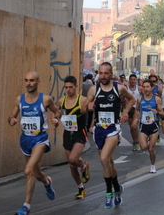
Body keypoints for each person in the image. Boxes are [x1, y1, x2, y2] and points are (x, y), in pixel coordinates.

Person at [82, 62, 135, 209]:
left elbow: (132, 99)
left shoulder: (119, 88)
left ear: (111, 74)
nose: (103, 76)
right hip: (99, 129)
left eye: (106, 73)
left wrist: (125, 112)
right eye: (101, 73)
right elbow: (82, 109)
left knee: (104, 158)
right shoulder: (94, 89)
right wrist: (88, 106)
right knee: (108, 163)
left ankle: (108, 193)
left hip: (113, 128)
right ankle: (117, 188)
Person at [8, 71, 61, 215]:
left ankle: (26, 206)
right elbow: (11, 116)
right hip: (25, 139)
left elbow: (57, 111)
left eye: (31, 80)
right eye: (26, 80)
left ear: (38, 82)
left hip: (40, 139)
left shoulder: (46, 99)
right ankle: (46, 182)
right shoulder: (19, 99)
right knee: (36, 173)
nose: (28, 83)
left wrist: (56, 119)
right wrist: (12, 120)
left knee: (28, 170)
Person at [54, 76, 90, 200]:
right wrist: (55, 119)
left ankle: (84, 166)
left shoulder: (82, 100)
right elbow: (56, 112)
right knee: (71, 164)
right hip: (67, 134)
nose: (68, 90)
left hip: (80, 133)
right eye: (66, 87)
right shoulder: (61, 101)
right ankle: (81, 187)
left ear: (76, 87)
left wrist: (91, 125)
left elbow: (91, 112)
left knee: (73, 159)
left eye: (70, 87)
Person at [132, 79, 164, 173]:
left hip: (153, 126)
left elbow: (163, 113)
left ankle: (153, 165)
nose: (145, 89)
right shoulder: (139, 99)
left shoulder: (156, 99)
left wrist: (157, 112)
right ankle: (149, 143)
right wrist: (135, 120)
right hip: (143, 126)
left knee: (151, 148)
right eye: (144, 87)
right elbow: (137, 111)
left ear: (152, 88)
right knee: (143, 147)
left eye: (147, 87)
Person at [126, 74, 141, 151]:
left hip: (136, 109)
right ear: (129, 80)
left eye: (134, 79)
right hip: (129, 109)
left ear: (136, 80)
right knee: (132, 127)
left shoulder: (139, 89)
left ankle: (136, 141)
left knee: (135, 125)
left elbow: (144, 97)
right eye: (131, 79)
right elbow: (121, 98)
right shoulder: (126, 88)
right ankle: (134, 141)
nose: (132, 81)